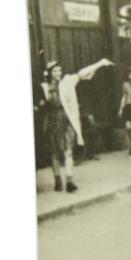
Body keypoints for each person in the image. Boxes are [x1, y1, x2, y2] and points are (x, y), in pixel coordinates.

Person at [38, 58, 114, 192]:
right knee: (54, 153)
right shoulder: (44, 87)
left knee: (68, 150)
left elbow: (82, 73)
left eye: (59, 70)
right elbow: (41, 103)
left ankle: (69, 181)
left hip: (66, 119)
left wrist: (100, 63)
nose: (58, 73)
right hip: (52, 121)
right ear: (49, 73)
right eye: (55, 71)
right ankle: (57, 180)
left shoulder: (67, 81)